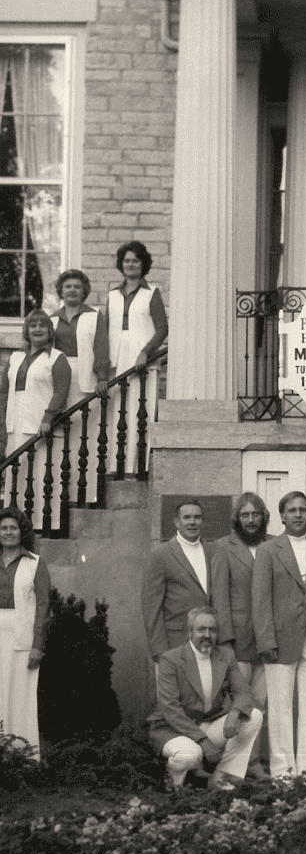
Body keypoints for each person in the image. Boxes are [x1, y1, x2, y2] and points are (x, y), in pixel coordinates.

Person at [252, 491, 306, 777]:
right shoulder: (268, 550)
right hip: (279, 638)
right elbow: (260, 599)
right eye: (292, 510)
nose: (298, 514)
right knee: (279, 708)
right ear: (282, 515)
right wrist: (265, 640)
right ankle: (283, 771)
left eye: (303, 509)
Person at [148, 606, 263, 790]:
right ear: (189, 631)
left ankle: (221, 777)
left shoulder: (225, 655)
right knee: (189, 756)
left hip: (208, 724)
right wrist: (203, 741)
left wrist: (234, 713)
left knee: (253, 716)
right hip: (174, 729)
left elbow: (243, 692)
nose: (207, 635)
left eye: (213, 630)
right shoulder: (170, 659)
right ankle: (175, 783)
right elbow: (170, 709)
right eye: (201, 629)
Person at [213, 492, 275, 778]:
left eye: (256, 514)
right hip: (238, 640)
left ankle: (254, 763)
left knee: (261, 704)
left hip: (269, 639)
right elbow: (220, 597)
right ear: (237, 518)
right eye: (245, 515)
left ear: (264, 517)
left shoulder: (275, 544)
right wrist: (225, 641)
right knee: (238, 704)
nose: (251, 520)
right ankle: (230, 766)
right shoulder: (223, 548)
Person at [0, 310, 71, 529]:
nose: (37, 329)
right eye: (33, 325)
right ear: (26, 331)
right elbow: (3, 393)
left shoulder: (57, 358)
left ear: (50, 331)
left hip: (41, 428)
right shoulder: (15, 358)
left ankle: (44, 526)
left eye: (42, 325)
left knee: (42, 477)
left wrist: (48, 417)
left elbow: (61, 391)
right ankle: (17, 527)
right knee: (17, 478)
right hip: (15, 427)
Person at [143, 500, 233, 665]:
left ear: (202, 521)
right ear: (177, 522)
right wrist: (159, 650)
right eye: (187, 517)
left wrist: (225, 643)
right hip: (175, 644)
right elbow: (152, 608)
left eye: (197, 517)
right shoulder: (160, 556)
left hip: (210, 645)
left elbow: (221, 600)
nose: (192, 522)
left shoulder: (214, 552)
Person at [105, 240, 168, 475]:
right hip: (116, 362)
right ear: (121, 264)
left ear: (143, 265)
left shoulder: (152, 293)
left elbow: (162, 328)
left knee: (141, 413)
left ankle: (137, 468)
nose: (130, 264)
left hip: (143, 364)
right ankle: (115, 466)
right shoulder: (112, 295)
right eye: (127, 260)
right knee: (116, 414)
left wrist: (146, 352)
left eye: (135, 260)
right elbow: (106, 330)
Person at [50, 269, 110, 503]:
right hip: (59, 377)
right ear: (61, 291)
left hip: (85, 378)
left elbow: (101, 348)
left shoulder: (94, 316)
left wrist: (102, 376)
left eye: (77, 286)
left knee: (85, 436)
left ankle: (88, 493)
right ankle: (61, 496)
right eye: (68, 287)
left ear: (84, 290)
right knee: (60, 437)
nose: (72, 290)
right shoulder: (52, 319)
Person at [0, 506, 50, 756]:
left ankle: (21, 756)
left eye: (13, 528)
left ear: (22, 532)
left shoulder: (35, 563)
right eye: (4, 528)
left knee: (21, 697)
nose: (9, 532)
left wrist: (38, 645)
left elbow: (43, 607)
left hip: (22, 638)